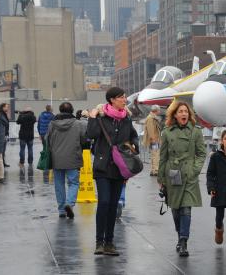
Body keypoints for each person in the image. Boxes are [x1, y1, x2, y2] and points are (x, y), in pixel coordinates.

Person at [87, 87, 139, 256]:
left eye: (124, 97)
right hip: (102, 166)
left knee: (113, 205)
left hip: (119, 168)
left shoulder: (126, 118)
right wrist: (93, 117)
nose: (124, 100)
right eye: (121, 97)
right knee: (104, 202)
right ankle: (99, 242)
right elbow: (91, 134)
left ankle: (109, 242)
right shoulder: (102, 116)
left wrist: (134, 147)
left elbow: (132, 136)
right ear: (111, 100)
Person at [158, 101, 206, 257]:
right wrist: (161, 178)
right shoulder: (166, 132)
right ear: (174, 115)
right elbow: (163, 156)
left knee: (186, 208)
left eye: (186, 111)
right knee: (175, 209)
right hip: (172, 174)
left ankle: (184, 241)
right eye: (181, 111)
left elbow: (201, 153)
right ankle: (180, 236)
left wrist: (194, 170)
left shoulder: (196, 132)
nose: (184, 114)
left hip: (189, 175)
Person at [47, 102, 85, 219]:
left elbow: (47, 139)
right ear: (72, 110)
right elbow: (84, 139)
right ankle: (70, 203)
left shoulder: (52, 124)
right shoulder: (78, 124)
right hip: (73, 157)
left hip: (56, 158)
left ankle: (62, 210)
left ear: (60, 110)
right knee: (73, 182)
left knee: (59, 184)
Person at [143, 105, 162, 176]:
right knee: (155, 155)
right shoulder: (151, 118)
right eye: (159, 110)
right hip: (154, 140)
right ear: (156, 111)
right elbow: (150, 130)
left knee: (154, 154)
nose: (159, 112)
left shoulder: (152, 117)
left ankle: (153, 169)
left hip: (154, 140)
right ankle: (155, 170)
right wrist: (153, 139)